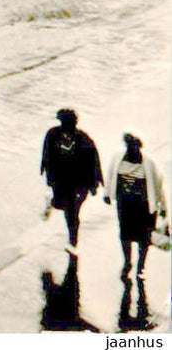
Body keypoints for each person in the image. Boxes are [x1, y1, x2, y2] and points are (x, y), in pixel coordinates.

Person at [103, 131, 167, 279]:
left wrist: (163, 207)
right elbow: (111, 175)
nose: (132, 150)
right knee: (125, 235)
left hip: (144, 207)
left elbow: (159, 186)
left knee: (144, 238)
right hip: (125, 205)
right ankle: (127, 262)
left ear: (139, 147)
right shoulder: (118, 158)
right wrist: (107, 194)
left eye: (135, 147)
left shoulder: (149, 163)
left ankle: (141, 267)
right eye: (129, 146)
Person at [40, 108, 102, 251]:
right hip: (61, 181)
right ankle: (53, 203)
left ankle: (73, 240)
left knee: (72, 211)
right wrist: (49, 177)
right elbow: (47, 156)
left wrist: (94, 184)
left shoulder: (83, 139)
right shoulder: (52, 134)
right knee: (66, 207)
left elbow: (93, 161)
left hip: (78, 184)